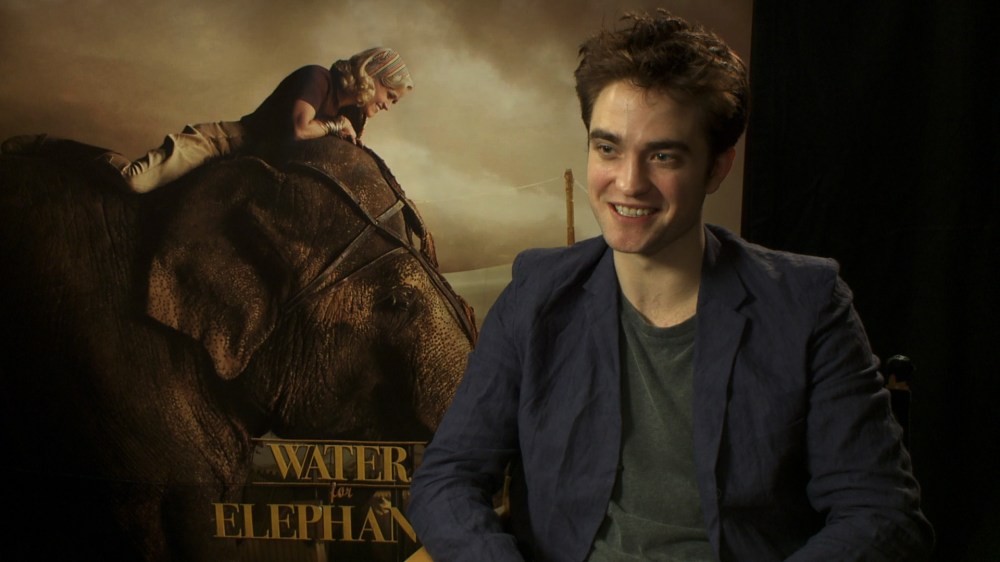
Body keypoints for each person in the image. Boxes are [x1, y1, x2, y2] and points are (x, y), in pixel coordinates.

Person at [406, 10, 933, 562]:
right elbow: (448, 479)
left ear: (717, 168)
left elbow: (882, 514)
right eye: (608, 148)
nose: (628, 182)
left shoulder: (808, 303)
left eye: (663, 155)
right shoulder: (535, 294)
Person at [96, 46, 413, 192]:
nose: (388, 106)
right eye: (390, 96)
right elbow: (299, 130)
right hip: (228, 144)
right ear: (373, 76)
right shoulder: (317, 78)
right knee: (134, 182)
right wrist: (335, 125)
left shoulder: (352, 117)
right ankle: (98, 159)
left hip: (258, 172)